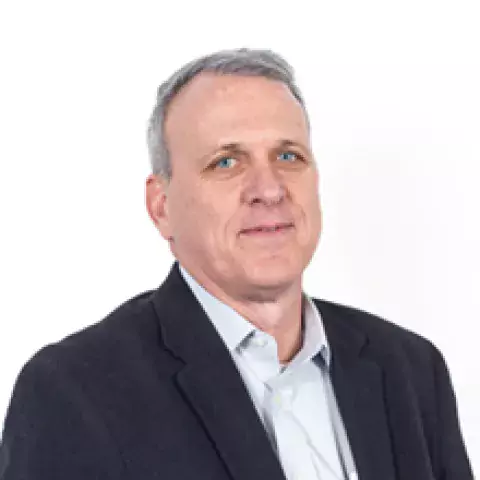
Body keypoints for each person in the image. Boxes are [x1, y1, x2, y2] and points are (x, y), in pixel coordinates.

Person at [0, 48, 473, 480]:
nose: (269, 189)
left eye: (288, 155)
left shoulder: (411, 371)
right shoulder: (75, 394)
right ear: (161, 206)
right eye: (226, 162)